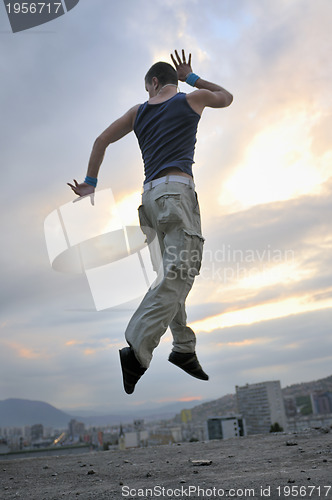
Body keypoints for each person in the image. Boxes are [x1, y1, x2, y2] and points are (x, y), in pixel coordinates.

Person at [68, 49, 233, 394]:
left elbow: (101, 140)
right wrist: (192, 77)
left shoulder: (138, 112)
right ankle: (137, 351)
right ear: (169, 81)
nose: (148, 94)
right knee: (180, 273)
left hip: (149, 203)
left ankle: (184, 348)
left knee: (169, 274)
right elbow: (227, 97)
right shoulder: (192, 99)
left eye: (148, 88)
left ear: (154, 82)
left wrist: (91, 183)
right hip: (177, 194)